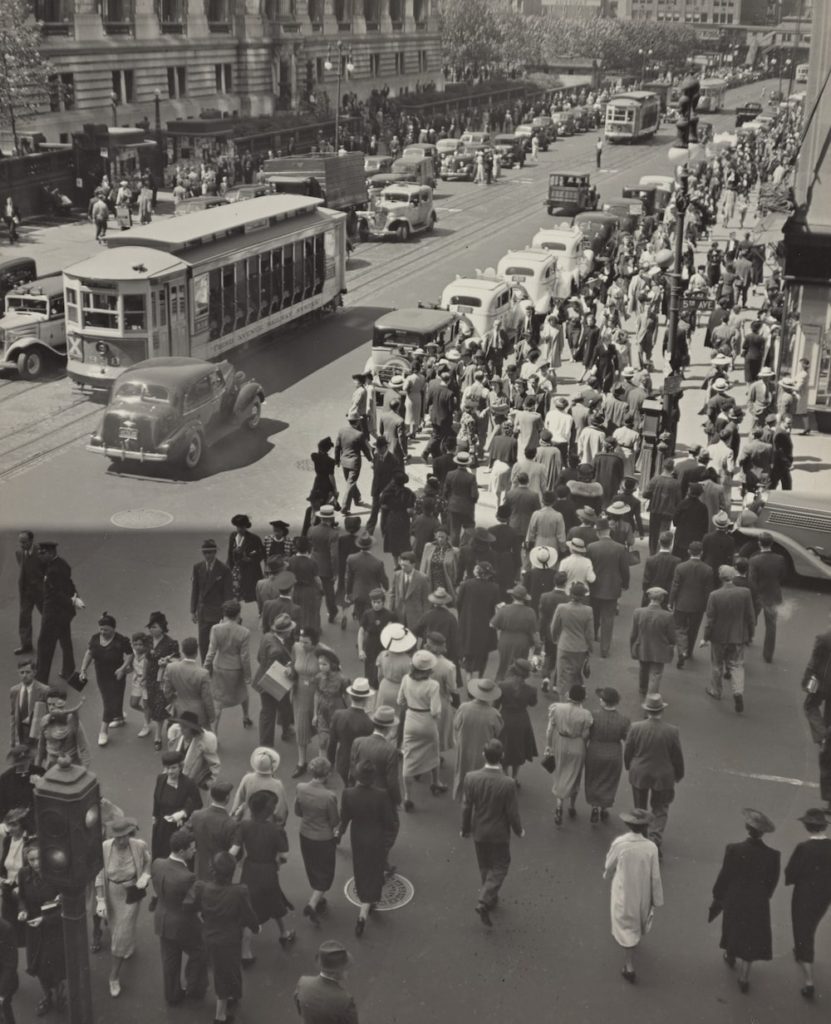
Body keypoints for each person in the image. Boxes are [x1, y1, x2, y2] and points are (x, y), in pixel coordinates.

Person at [710, 808, 780, 995]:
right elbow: (772, 883)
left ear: (747, 827)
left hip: (735, 896)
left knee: (733, 926)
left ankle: (730, 954)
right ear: (763, 833)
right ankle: (744, 976)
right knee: (752, 934)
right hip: (758, 899)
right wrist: (763, 896)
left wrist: (718, 894)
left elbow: (725, 876)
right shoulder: (773, 855)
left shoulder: (733, 849)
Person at [184, 852, 260, 1024]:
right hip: (229, 939)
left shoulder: (202, 888)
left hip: (209, 935)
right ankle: (220, 1016)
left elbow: (189, 906)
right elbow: (249, 916)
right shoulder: (239, 891)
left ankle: (230, 996)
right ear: (232, 872)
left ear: (213, 871)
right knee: (225, 973)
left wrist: (201, 916)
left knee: (224, 969)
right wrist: (256, 927)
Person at [460, 738, 524, 927]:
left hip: (479, 831)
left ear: (483, 755)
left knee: (485, 865)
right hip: (499, 834)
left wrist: (465, 828)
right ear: (502, 757)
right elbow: (512, 812)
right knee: (501, 866)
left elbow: (466, 807)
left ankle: (490, 896)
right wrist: (519, 830)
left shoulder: (471, 778)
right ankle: (484, 899)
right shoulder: (508, 783)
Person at [603, 808, 663, 984]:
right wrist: (656, 897)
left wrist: (607, 874)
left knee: (625, 920)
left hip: (624, 887)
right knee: (637, 917)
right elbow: (655, 875)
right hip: (642, 889)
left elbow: (609, 864)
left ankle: (629, 965)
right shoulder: (651, 847)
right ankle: (633, 947)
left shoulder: (620, 843)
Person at [233, 789, 294, 960]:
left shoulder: (244, 825)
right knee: (274, 900)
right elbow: (284, 856)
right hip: (268, 870)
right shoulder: (276, 830)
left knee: (249, 907)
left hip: (250, 869)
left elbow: (234, 849)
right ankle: (284, 933)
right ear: (270, 810)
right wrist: (278, 863)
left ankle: (246, 952)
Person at [94, 817, 151, 998]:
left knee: (121, 932)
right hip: (111, 891)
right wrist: (101, 899)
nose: (120, 841)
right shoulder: (105, 847)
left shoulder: (139, 845)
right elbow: (99, 874)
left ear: (130, 834)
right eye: (116, 837)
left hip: (130, 893)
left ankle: (114, 977)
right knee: (115, 927)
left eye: (123, 837)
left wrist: (145, 875)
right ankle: (127, 945)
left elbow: (149, 860)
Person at [337, 761, 395, 937]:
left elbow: (345, 818)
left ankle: (365, 901)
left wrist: (340, 833)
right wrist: (387, 840)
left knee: (361, 869)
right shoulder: (382, 795)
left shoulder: (348, 794)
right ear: (373, 777)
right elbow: (389, 822)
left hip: (358, 837)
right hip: (376, 837)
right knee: (375, 870)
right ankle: (365, 910)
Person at [624, 694, 684, 853]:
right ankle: (655, 839)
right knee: (660, 808)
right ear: (661, 711)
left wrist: (629, 765)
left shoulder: (636, 727)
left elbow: (628, 750)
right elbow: (677, 756)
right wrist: (679, 774)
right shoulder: (672, 731)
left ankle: (642, 835)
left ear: (647, 711)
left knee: (640, 806)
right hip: (663, 775)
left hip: (640, 772)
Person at [784, 807, 831, 1000]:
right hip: (825, 896)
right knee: (810, 926)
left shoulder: (803, 848)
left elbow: (791, 873)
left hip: (805, 895)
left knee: (802, 929)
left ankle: (809, 981)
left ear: (808, 827)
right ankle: (801, 950)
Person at [16, 840, 65, 1015]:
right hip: (33, 927)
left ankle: (60, 993)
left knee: (56, 964)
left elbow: (64, 904)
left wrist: (45, 919)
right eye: (31, 860)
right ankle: (48, 996)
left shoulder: (57, 874)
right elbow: (21, 896)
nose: (36, 863)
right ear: (27, 861)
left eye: (38, 859)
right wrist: (22, 910)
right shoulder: (23, 874)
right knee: (38, 965)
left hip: (53, 924)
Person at [703, 564, 755, 713]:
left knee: (717, 664)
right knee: (737, 666)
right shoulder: (745, 593)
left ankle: (716, 691)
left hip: (719, 637)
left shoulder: (714, 595)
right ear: (733, 576)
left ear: (720, 577)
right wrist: (750, 634)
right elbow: (750, 616)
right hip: (738, 636)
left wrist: (706, 637)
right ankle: (738, 691)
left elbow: (710, 620)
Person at [397, 650, 444, 810]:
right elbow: (435, 710)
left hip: (411, 721)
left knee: (408, 757)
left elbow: (400, 700)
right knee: (434, 750)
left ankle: (408, 797)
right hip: (427, 722)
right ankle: (435, 782)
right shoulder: (433, 685)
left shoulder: (405, 679)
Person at [295, 757, 340, 926]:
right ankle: (313, 903)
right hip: (323, 838)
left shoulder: (300, 788)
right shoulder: (329, 796)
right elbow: (334, 820)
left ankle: (318, 898)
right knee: (326, 871)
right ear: (327, 774)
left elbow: (298, 811)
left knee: (312, 866)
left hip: (305, 834)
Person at [78, 612, 132, 748]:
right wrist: (83, 669)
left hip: (117, 673)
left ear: (113, 629)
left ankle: (103, 731)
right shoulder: (95, 639)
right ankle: (118, 717)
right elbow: (89, 653)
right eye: (101, 629)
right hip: (101, 673)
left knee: (113, 699)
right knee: (108, 698)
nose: (103, 632)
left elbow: (130, 654)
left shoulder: (121, 640)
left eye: (106, 629)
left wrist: (123, 668)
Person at [545, 684, 593, 825]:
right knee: (574, 775)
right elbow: (586, 735)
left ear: (568, 696)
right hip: (577, 745)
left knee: (560, 772)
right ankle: (572, 806)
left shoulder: (557, 708)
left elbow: (549, 730)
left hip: (560, 742)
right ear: (583, 698)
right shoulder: (586, 715)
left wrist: (549, 745)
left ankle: (559, 805)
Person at [35, 540, 82, 684]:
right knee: (65, 640)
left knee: (45, 645)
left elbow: (56, 593)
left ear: (50, 553)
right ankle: (68, 670)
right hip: (64, 613)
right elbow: (69, 583)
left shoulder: (53, 570)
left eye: (42, 553)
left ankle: (40, 680)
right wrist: (75, 596)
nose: (39, 556)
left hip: (53, 614)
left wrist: (73, 600)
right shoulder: (62, 564)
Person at [204, 598, 253, 732]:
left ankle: (214, 732)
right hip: (236, 668)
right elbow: (245, 657)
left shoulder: (216, 629)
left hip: (219, 666)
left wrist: (205, 667)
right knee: (243, 693)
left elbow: (211, 651)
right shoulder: (244, 632)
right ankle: (246, 716)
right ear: (238, 614)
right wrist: (248, 675)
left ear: (224, 614)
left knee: (218, 701)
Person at [453, 678, 504, 800]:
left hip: (464, 745)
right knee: (480, 775)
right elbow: (498, 733)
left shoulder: (463, 708)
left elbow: (456, 725)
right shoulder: (494, 714)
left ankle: (461, 795)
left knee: (462, 770)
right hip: (483, 749)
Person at [585, 687, 631, 823]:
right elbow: (627, 739)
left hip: (594, 751)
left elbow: (586, 735)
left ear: (604, 702)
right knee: (610, 781)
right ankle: (604, 808)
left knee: (593, 779)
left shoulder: (593, 715)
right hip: (613, 754)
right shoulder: (624, 720)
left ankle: (594, 806)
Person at [252, 612, 295, 747]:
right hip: (272, 683)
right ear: (286, 632)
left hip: (264, 678)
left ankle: (285, 729)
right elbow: (274, 670)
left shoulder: (267, 637)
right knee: (269, 713)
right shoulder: (277, 650)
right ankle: (266, 745)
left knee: (283, 706)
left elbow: (259, 657)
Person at [587, 521, 630, 657]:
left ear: (598, 532)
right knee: (608, 619)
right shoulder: (620, 548)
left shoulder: (591, 547)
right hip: (612, 588)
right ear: (609, 531)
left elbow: (588, 568)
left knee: (593, 615)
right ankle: (604, 649)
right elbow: (625, 570)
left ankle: (591, 640)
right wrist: (625, 585)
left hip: (594, 587)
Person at [151, 750, 202, 860]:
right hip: (161, 826)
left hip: (179, 828)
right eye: (167, 768)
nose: (170, 771)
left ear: (180, 767)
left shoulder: (189, 784)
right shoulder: (161, 779)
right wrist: (154, 816)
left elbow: (198, 804)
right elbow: (156, 799)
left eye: (173, 768)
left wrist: (183, 813)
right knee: (160, 855)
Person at [668, 541, 713, 667]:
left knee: (679, 628)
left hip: (682, 603)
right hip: (698, 605)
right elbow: (708, 590)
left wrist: (671, 601)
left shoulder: (681, 567)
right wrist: (706, 606)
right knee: (693, 629)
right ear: (702, 553)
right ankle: (689, 651)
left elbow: (675, 586)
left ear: (689, 551)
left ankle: (681, 650)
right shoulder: (708, 570)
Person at [802, 618, 831, 808]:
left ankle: (822, 735)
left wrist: (806, 681)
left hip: (822, 684)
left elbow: (813, 663)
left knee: (810, 705)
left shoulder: (824, 637)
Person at [186, 780, 238, 883]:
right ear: (227, 797)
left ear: (211, 795)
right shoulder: (231, 823)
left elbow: (184, 835)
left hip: (199, 868)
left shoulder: (196, 815)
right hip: (220, 874)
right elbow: (235, 853)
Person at [295, 940, 359, 1024]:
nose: (348, 971)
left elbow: (300, 1009)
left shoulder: (303, 982)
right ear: (336, 972)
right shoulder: (345, 1001)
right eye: (345, 968)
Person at [190, 540, 233, 661]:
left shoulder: (224, 569)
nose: (208, 556)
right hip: (203, 611)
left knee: (218, 642)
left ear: (215, 552)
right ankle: (205, 666)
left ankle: (218, 665)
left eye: (210, 553)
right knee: (203, 642)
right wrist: (193, 610)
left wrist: (227, 614)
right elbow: (195, 589)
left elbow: (228, 593)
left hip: (217, 612)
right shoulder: (198, 567)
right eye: (205, 553)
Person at [747, 532, 787, 663]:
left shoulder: (754, 560)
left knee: (751, 618)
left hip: (759, 595)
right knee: (771, 626)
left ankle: (748, 637)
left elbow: (752, 580)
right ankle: (768, 654)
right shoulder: (780, 559)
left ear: (759, 544)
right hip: (773, 594)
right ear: (772, 544)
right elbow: (782, 576)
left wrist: (756, 593)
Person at [496, 660, 538, 784]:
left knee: (505, 747)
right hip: (521, 720)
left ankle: (505, 776)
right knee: (518, 748)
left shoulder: (502, 686)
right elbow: (533, 703)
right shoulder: (531, 689)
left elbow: (496, 705)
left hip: (505, 719)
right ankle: (514, 778)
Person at [550, 581, 594, 698]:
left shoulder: (561, 608)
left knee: (562, 676)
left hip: (564, 645)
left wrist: (555, 639)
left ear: (570, 593)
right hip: (580, 647)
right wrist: (590, 647)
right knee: (576, 675)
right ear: (583, 596)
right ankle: (576, 698)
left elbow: (554, 626)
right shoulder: (588, 610)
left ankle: (563, 701)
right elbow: (589, 633)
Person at [630, 587, 676, 697]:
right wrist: (671, 644)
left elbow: (633, 634)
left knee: (643, 669)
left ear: (649, 598)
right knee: (656, 673)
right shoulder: (668, 616)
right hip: (660, 650)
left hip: (642, 647)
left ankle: (642, 690)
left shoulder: (638, 612)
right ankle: (652, 697)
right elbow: (672, 637)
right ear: (662, 599)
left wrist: (632, 647)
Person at [144, 611, 180, 751]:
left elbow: (177, 659)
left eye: (155, 627)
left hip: (164, 679)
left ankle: (158, 736)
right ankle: (168, 725)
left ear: (162, 627)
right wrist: (143, 676)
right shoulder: (148, 640)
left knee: (160, 705)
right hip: (151, 678)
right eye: (150, 627)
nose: (152, 630)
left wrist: (166, 661)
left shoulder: (170, 643)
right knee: (153, 703)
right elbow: (146, 658)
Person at [456, 562, 500, 676]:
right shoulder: (494, 587)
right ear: (488, 575)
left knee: (468, 649)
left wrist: (463, 614)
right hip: (485, 624)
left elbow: (458, 603)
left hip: (468, 622)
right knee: (482, 653)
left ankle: (468, 674)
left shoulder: (466, 584)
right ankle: (479, 677)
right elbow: (495, 605)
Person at [326, 679, 374, 784]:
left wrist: (330, 762)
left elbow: (332, 742)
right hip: (360, 764)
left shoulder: (338, 715)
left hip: (342, 760)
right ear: (366, 699)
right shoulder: (369, 722)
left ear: (351, 696)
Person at [289, 627, 322, 778]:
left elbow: (334, 670)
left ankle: (323, 763)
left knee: (321, 727)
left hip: (317, 692)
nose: (302, 645)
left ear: (315, 642)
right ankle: (301, 762)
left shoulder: (324, 652)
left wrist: (319, 677)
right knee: (301, 726)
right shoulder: (296, 647)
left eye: (306, 642)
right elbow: (293, 664)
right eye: (301, 641)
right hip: (300, 692)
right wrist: (290, 672)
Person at [163, 636, 215, 728]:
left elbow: (167, 691)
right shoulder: (203, 674)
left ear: (183, 651)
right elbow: (207, 699)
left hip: (179, 711)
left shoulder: (171, 668)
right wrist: (211, 715)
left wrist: (175, 701)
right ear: (196, 652)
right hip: (199, 714)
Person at [231, 747, 288, 824]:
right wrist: (279, 823)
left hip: (248, 821)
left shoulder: (247, 778)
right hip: (268, 823)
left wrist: (235, 816)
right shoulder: (277, 784)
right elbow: (281, 809)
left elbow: (239, 799)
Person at [0, 747, 43, 834]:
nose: (23, 765)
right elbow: (1, 802)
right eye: (19, 763)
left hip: (35, 822)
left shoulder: (40, 772)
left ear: (29, 759)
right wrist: (2, 822)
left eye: (25, 761)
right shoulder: (6, 778)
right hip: (14, 825)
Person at [8, 660, 48, 749]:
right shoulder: (14, 690)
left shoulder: (44, 690)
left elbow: (48, 715)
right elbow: (13, 716)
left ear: (34, 673)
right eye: (21, 672)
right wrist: (12, 740)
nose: (24, 675)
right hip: (21, 735)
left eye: (28, 672)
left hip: (37, 736)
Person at [226, 514, 265, 604]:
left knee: (251, 594)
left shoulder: (254, 538)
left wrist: (251, 559)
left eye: (242, 527)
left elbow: (261, 553)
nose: (240, 529)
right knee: (235, 594)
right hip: (235, 569)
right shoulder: (233, 536)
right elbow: (229, 553)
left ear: (246, 526)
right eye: (238, 527)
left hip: (249, 571)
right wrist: (228, 567)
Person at [14, 530, 42, 656]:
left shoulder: (41, 552)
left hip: (40, 591)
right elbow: (22, 570)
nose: (21, 544)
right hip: (26, 592)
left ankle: (53, 639)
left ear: (31, 541)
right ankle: (26, 645)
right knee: (24, 618)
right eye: (20, 541)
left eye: (24, 542)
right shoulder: (19, 553)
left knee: (48, 616)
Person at [390, 551, 430, 628]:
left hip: (415, 617)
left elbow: (426, 600)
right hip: (399, 615)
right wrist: (391, 612)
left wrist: (425, 618)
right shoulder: (397, 575)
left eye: (405, 566)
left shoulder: (422, 578)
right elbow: (393, 594)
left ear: (413, 565)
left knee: (413, 638)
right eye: (401, 565)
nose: (403, 568)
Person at [0, 915, 18, 1024]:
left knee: (5, 1011)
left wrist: (1, 994)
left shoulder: (5, 928)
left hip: (2, 982)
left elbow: (10, 964)